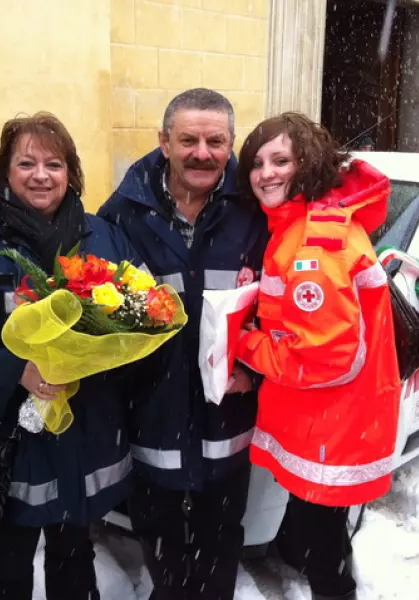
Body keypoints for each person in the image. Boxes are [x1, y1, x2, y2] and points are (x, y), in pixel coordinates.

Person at [0, 112, 137, 600]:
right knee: (8, 559)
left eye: (54, 163)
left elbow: (136, 313)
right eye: (26, 162)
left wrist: (99, 350)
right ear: (4, 171)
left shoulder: (102, 236)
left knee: (75, 553)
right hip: (10, 436)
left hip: (84, 426)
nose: (40, 175)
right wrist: (16, 370)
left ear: (70, 172)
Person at [98, 88, 269, 599]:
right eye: (188, 139)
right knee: (162, 553)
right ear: (163, 142)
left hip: (228, 425)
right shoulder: (122, 217)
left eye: (215, 141)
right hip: (155, 423)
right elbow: (103, 316)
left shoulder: (256, 215)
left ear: (231, 144)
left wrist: (255, 372)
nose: (202, 152)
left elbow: (282, 316)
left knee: (222, 549)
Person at [233, 112, 401, 600]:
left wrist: (244, 342)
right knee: (310, 533)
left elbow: (323, 358)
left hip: (330, 425)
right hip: (327, 422)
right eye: (258, 163)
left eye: (280, 160)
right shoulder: (298, 225)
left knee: (319, 544)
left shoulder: (315, 243)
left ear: (307, 163)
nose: (266, 173)